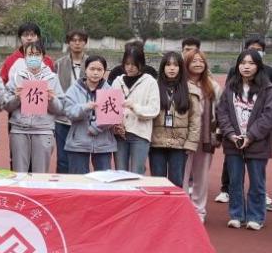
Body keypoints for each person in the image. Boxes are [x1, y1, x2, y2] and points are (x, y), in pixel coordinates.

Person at [215, 49, 272, 230]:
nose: (246, 67)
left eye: (251, 63)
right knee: (234, 181)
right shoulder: (230, 88)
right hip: (233, 142)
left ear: (258, 66)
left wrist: (250, 136)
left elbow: (268, 117)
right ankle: (236, 215)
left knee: (257, 182)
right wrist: (230, 134)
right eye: (243, 63)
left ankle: (256, 217)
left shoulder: (268, 90)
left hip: (258, 143)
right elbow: (222, 113)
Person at [5, 40, 64, 173]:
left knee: (40, 174)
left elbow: (60, 108)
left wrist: (51, 99)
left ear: (43, 56)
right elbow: (6, 106)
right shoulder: (16, 77)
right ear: (24, 57)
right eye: (30, 54)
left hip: (43, 130)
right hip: (19, 130)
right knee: (19, 173)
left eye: (37, 54)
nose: (33, 58)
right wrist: (16, 98)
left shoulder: (52, 78)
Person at [149, 51, 200, 187]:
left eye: (175, 65)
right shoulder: (153, 88)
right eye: (168, 65)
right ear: (162, 68)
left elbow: (195, 120)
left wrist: (191, 143)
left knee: (176, 182)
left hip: (180, 144)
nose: (172, 68)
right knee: (157, 182)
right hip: (156, 143)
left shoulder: (190, 90)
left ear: (181, 68)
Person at [61, 55, 117, 174]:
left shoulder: (109, 90)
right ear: (85, 70)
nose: (95, 73)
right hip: (78, 142)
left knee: (103, 179)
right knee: (79, 179)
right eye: (92, 69)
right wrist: (86, 107)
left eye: (99, 69)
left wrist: (96, 128)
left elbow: (112, 116)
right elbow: (69, 112)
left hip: (103, 144)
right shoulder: (74, 89)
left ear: (104, 71)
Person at [183, 49, 222, 221]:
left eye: (201, 61)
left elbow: (220, 111)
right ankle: (183, 209)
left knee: (201, 175)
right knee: (182, 175)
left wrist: (218, 133)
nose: (198, 64)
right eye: (194, 61)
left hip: (205, 137)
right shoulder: (181, 84)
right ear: (186, 64)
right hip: (184, 137)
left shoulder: (212, 86)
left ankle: (199, 210)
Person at [111, 45, 160, 175]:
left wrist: (134, 107)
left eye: (134, 64)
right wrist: (116, 124)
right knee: (120, 172)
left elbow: (154, 109)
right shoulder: (117, 81)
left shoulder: (150, 82)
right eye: (127, 64)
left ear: (141, 63)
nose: (130, 67)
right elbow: (111, 108)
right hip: (120, 135)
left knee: (137, 173)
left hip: (140, 134)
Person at [53, 29, 89, 174]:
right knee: (62, 159)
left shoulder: (92, 63)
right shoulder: (59, 64)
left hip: (83, 118)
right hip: (62, 118)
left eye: (80, 40)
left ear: (85, 43)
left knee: (81, 158)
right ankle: (62, 185)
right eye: (74, 40)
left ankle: (80, 185)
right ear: (68, 43)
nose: (77, 43)